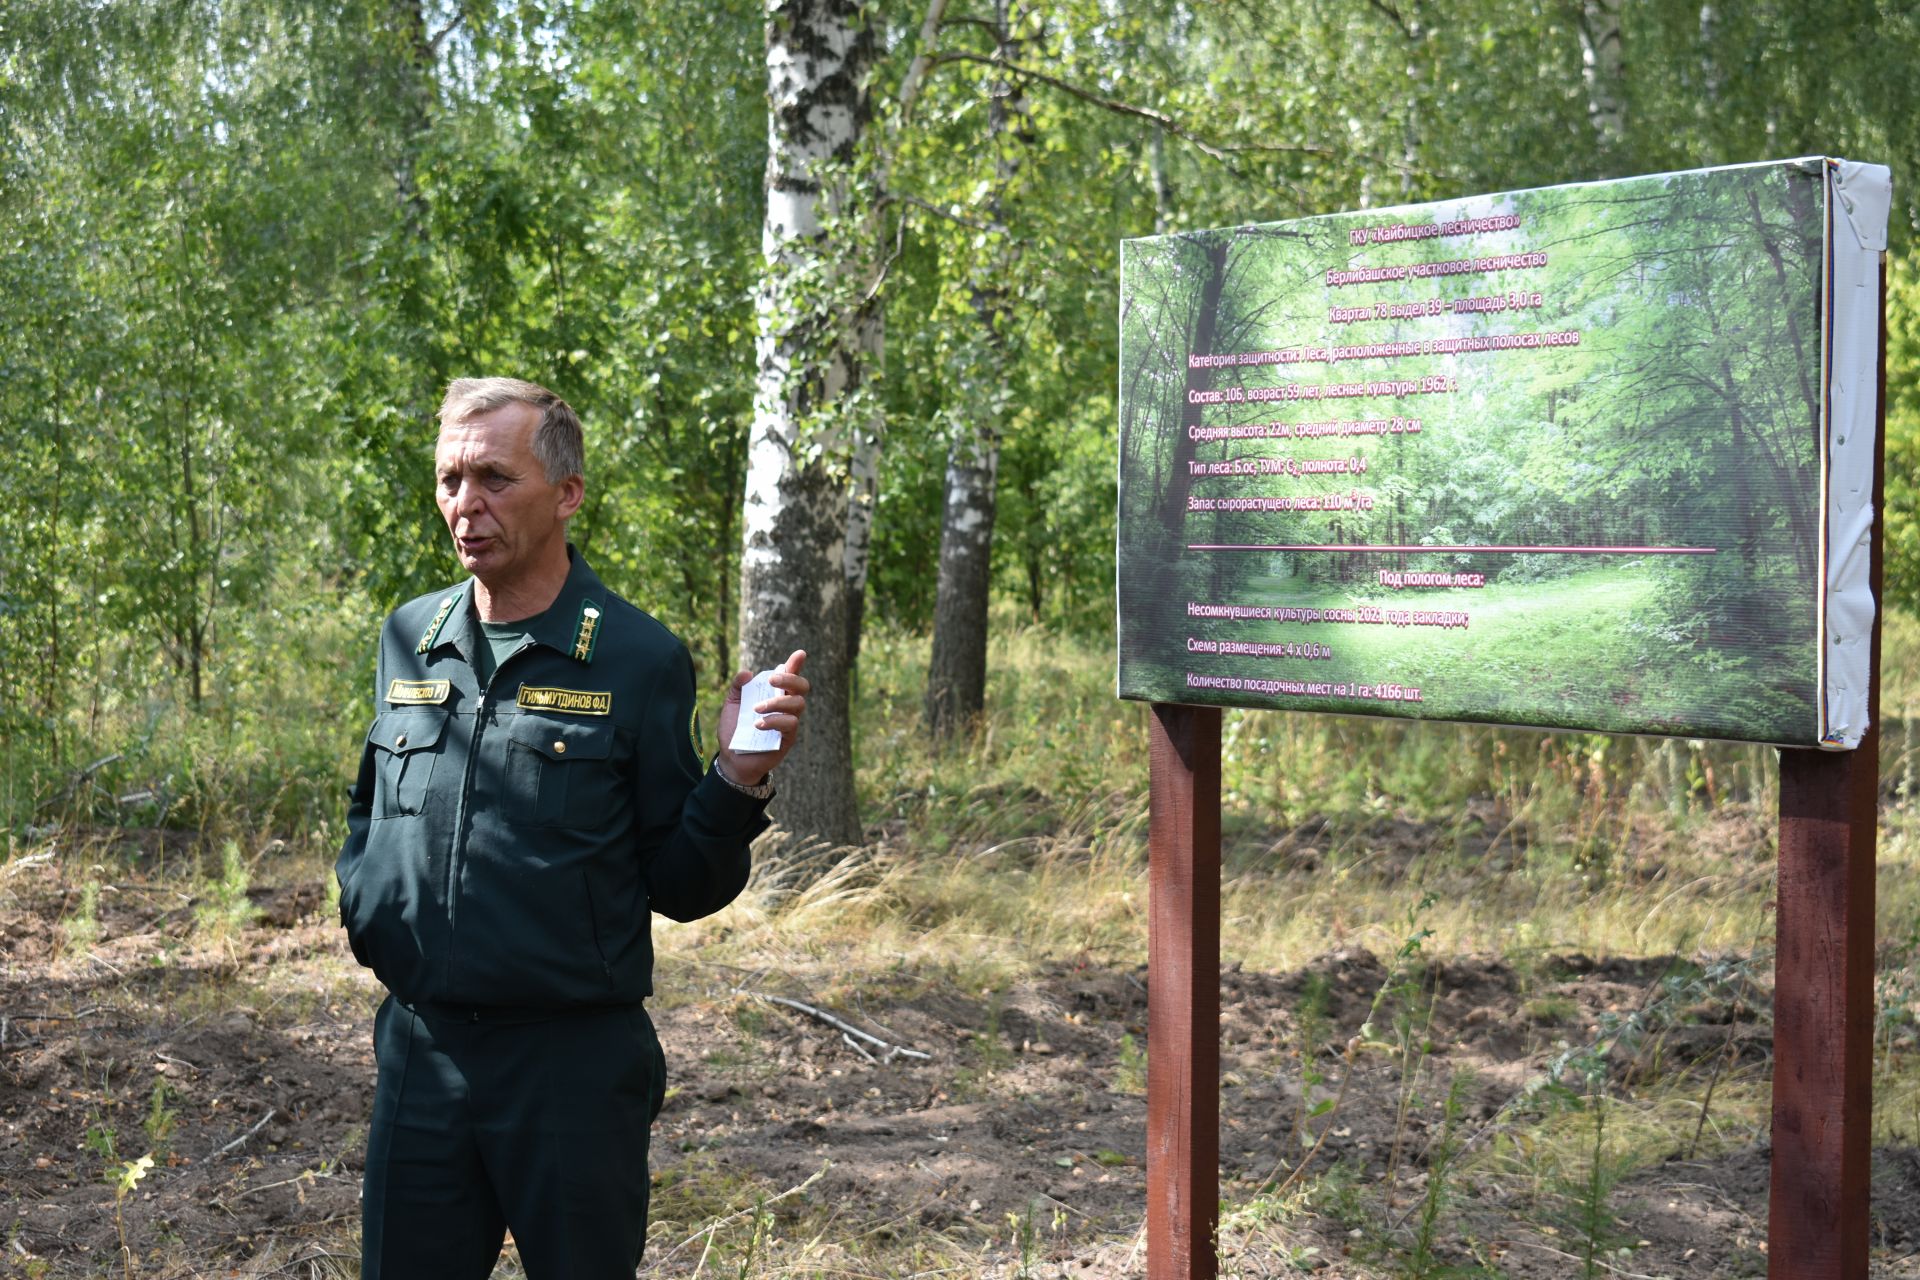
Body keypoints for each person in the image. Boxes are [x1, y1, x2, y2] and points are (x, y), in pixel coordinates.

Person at [335, 377, 808, 1278]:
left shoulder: (635, 657)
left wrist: (736, 781)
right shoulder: (410, 636)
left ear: (567, 493)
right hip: (420, 1053)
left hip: (570, 1070)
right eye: (449, 481)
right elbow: (370, 809)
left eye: (494, 480)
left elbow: (681, 883)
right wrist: (366, 901)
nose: (465, 506)